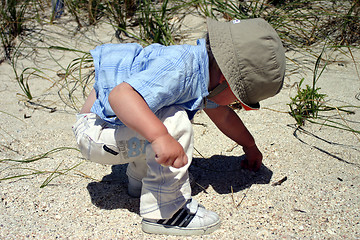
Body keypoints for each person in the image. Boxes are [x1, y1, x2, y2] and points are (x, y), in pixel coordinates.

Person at [72, 17, 286, 235]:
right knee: (172, 120)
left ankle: (141, 182)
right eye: (240, 101)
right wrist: (159, 137)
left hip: (116, 133)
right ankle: (166, 212)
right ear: (225, 79)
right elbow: (121, 96)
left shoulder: (203, 74)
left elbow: (224, 117)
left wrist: (249, 145)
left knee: (158, 120)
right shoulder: (181, 68)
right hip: (95, 133)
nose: (235, 105)